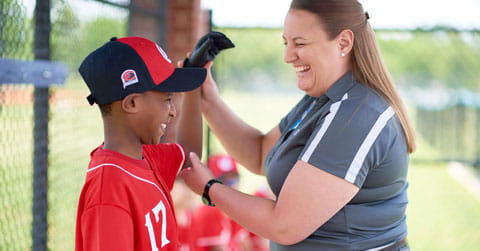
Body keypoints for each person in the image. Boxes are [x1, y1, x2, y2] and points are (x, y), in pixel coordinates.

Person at [180, 0, 416, 250]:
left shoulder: (357, 114)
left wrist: (210, 188)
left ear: (343, 43)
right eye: (286, 43)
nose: (287, 56)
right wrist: (209, 101)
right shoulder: (321, 99)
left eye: (300, 44)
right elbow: (261, 154)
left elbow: (284, 226)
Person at [75, 36, 207, 250]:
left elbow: (189, 155)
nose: (173, 111)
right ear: (132, 102)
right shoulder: (108, 189)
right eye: (167, 99)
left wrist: (194, 86)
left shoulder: (143, 157)